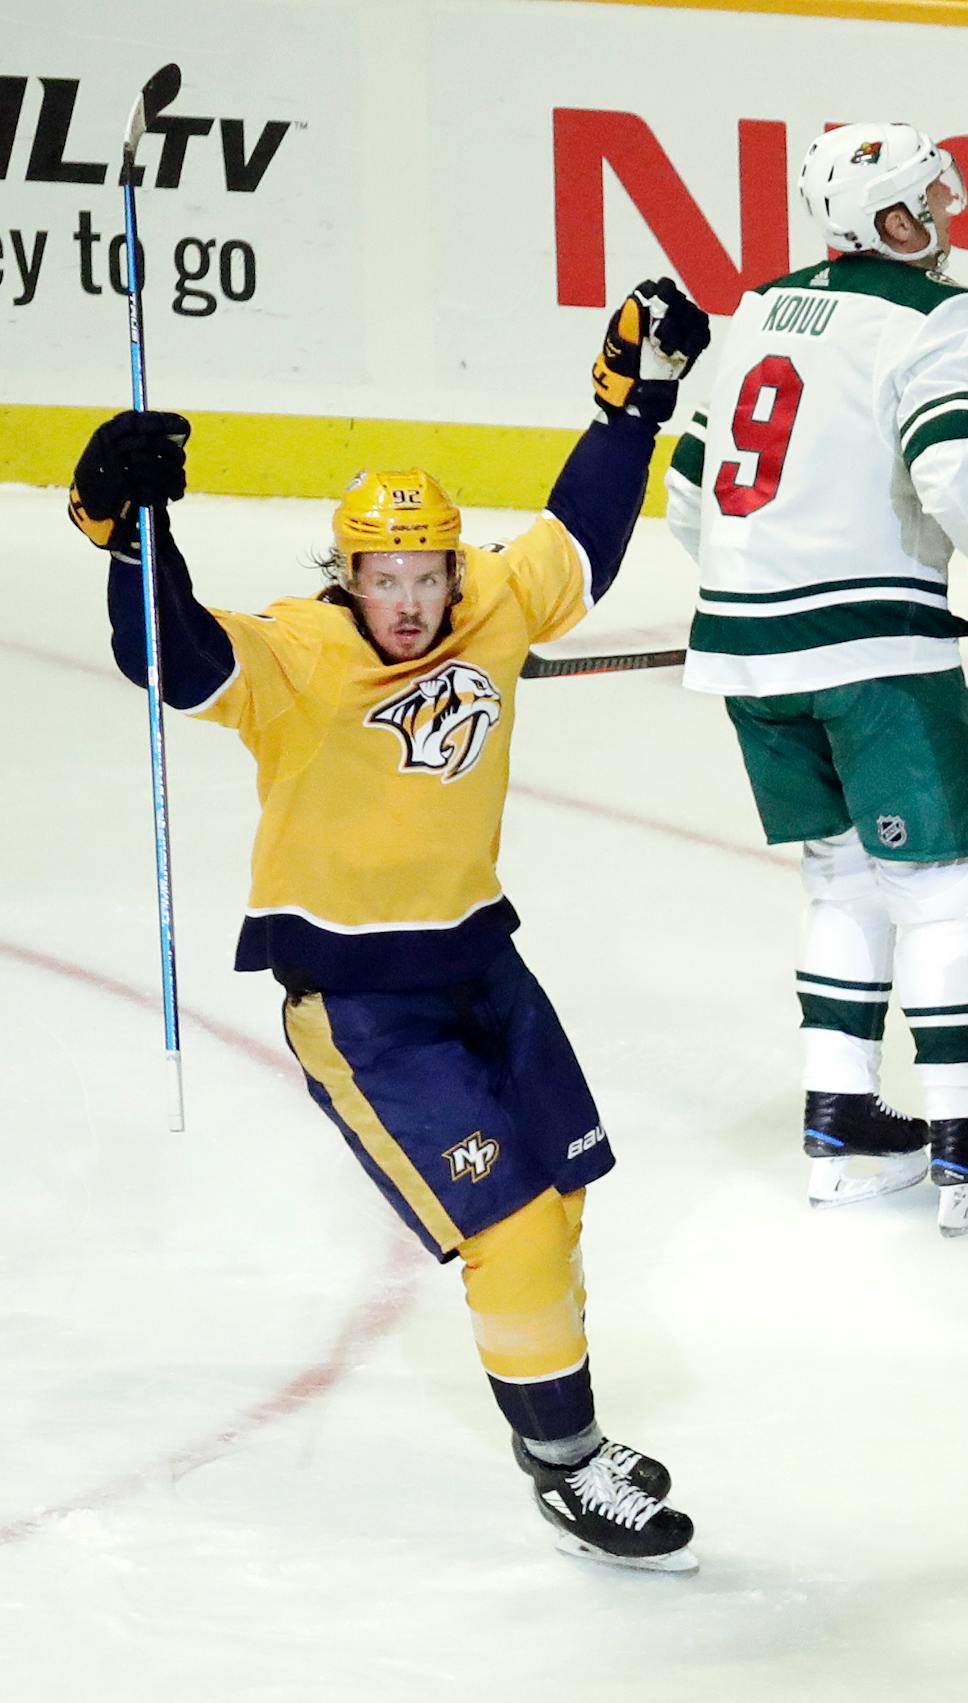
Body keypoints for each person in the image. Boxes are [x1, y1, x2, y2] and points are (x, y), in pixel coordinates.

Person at [71, 279, 712, 1571]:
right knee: (514, 1224)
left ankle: (564, 1417)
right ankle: (568, 1463)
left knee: (564, 1196)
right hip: (362, 1006)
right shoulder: (302, 655)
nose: (409, 603)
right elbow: (177, 658)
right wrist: (124, 529)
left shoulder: (493, 602)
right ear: (344, 570)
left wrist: (638, 400)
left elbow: (581, 533)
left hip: (485, 959)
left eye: (427, 574)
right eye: (382, 577)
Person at [665, 122, 968, 1236]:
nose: (938, 221)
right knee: (939, 890)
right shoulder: (943, 316)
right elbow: (956, 469)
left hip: (746, 649)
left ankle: (840, 1127)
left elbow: (689, 501)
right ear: (885, 216)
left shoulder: (753, 309)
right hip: (876, 660)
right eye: (921, 202)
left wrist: (772, 584)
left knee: (841, 881)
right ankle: (967, 1142)